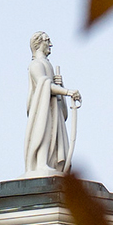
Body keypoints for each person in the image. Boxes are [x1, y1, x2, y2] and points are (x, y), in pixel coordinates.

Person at [24, 31, 81, 176]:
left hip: (52, 108)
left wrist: (61, 86)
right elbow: (44, 84)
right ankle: (41, 163)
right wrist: (67, 91)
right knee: (44, 131)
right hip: (43, 109)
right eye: (47, 41)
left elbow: (50, 86)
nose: (50, 44)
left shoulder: (46, 64)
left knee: (53, 134)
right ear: (38, 43)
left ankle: (51, 163)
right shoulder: (36, 64)